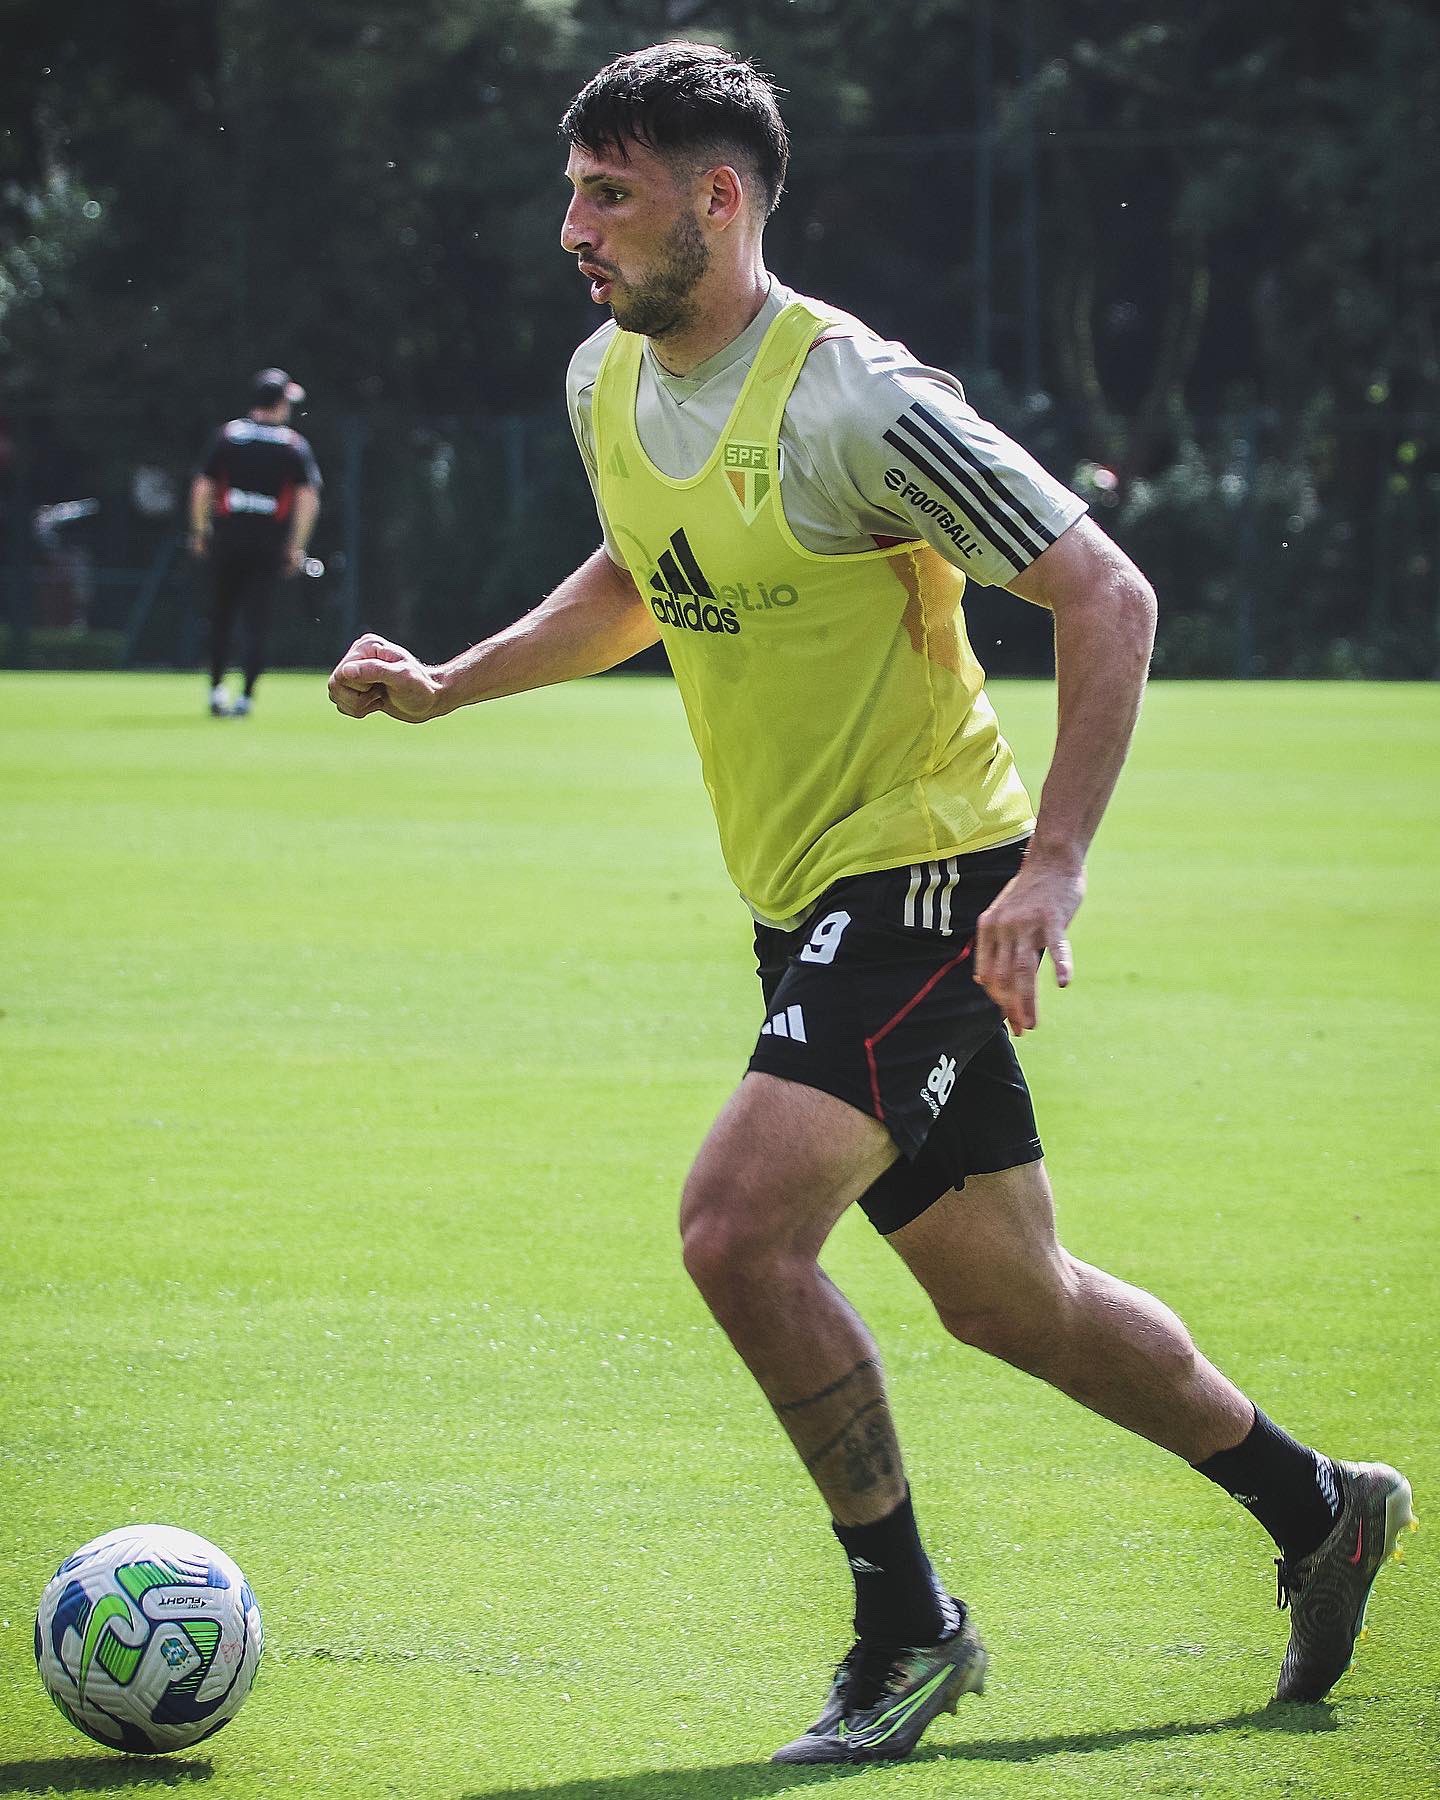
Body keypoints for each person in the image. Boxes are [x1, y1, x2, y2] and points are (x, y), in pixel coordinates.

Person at [327, 44, 1415, 1765]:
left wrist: (1050, 867)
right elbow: (644, 574)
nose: (574, 230)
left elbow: (1105, 592)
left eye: (609, 194)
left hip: (929, 877)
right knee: (1011, 1299)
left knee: (734, 1228)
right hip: (805, 895)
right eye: (575, 191)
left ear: (722, 199)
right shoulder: (606, 382)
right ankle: (1320, 1508)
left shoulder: (858, 403)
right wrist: (457, 681)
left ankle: (906, 1629)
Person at [190, 368, 322, 716]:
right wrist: (297, 546)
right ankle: (246, 696)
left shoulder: (228, 436)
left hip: (226, 542)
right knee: (256, 622)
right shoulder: (293, 445)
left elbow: (203, 487)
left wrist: (201, 531)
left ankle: (216, 690)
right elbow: (308, 499)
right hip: (268, 547)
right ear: (279, 402)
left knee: (220, 618)